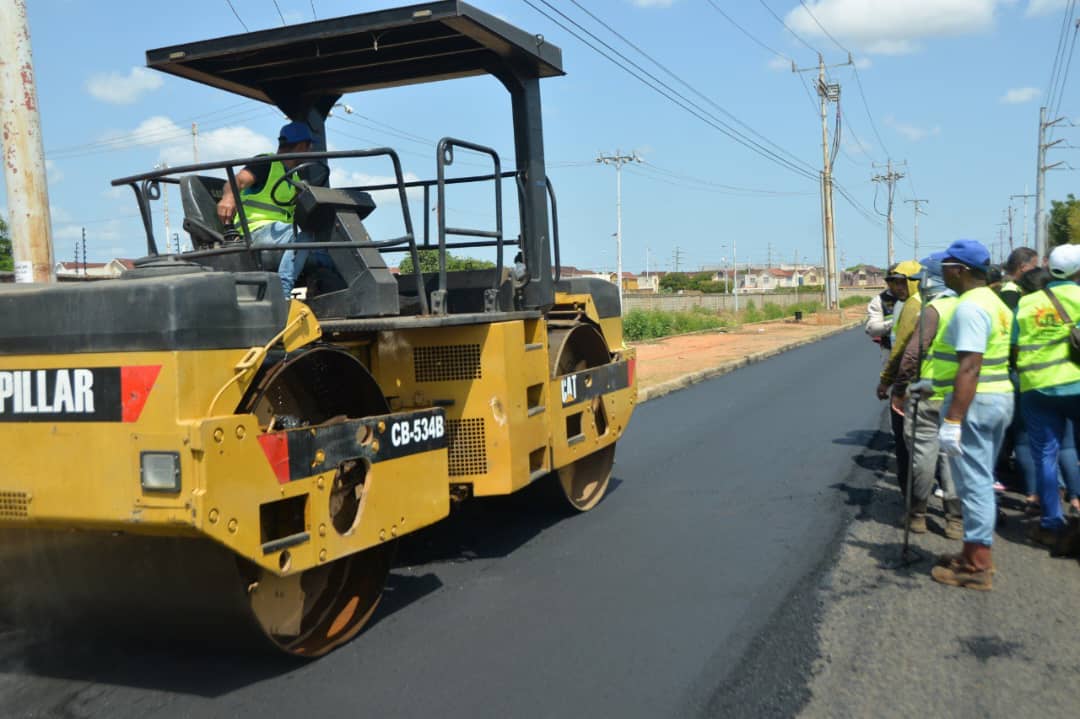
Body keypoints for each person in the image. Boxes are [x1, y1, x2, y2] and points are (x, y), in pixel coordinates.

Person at [930, 239, 1014, 591]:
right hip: (998, 399)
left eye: (946, 266)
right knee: (979, 477)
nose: (942, 271)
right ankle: (970, 552)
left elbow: (970, 367)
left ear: (961, 270)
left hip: (975, 404)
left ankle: (978, 565)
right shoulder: (994, 303)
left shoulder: (968, 308)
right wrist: (927, 383)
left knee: (974, 484)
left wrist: (952, 419)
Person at [1014, 243, 1080, 553]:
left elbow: (1013, 346)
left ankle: (1052, 523)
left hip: (1037, 389)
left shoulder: (1027, 304)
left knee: (1046, 456)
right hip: (1077, 386)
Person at [893, 255, 962, 538]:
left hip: (929, 393)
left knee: (923, 455)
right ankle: (955, 521)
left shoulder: (934, 310)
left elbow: (912, 354)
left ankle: (918, 515)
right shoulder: (967, 307)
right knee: (952, 457)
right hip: (960, 394)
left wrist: (899, 389)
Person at [216, 121, 319, 296]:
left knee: (326, 241)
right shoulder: (266, 163)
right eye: (309, 147)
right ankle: (284, 293)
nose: (309, 152)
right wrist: (228, 197)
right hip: (255, 231)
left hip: (280, 233)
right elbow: (237, 181)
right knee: (304, 235)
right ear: (302, 145)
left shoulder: (293, 175)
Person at [875, 260, 922, 500]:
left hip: (910, 384)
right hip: (919, 382)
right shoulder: (904, 305)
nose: (894, 287)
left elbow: (903, 349)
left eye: (899, 282)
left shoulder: (914, 307)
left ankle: (913, 503)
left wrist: (887, 381)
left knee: (906, 446)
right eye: (891, 282)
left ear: (914, 281)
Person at [865, 266, 902, 361]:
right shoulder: (879, 300)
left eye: (902, 281)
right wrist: (895, 323)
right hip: (890, 351)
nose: (899, 286)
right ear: (888, 282)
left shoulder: (916, 298)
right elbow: (872, 329)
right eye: (894, 281)